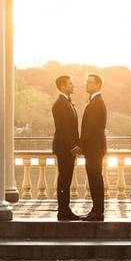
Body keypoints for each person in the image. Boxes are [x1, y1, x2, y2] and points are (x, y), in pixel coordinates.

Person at [51, 74, 80, 221]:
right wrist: (73, 146)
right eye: (70, 83)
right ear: (62, 86)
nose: (73, 85)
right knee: (64, 179)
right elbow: (63, 128)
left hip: (67, 147)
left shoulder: (67, 102)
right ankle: (63, 211)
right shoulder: (60, 104)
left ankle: (64, 209)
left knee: (66, 179)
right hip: (64, 148)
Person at [79, 73, 107, 221]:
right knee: (94, 179)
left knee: (95, 179)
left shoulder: (97, 103)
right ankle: (96, 210)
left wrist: (81, 145)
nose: (86, 84)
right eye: (86, 81)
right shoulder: (94, 101)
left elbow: (92, 128)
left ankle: (98, 212)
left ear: (97, 85)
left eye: (89, 82)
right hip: (94, 148)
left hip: (95, 148)